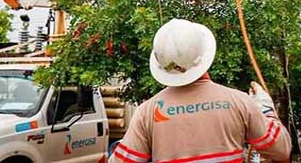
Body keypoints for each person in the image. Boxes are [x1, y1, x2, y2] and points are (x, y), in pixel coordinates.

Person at [109, 19, 291, 163]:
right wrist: (265, 109)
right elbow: (281, 149)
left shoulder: (147, 112)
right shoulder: (240, 102)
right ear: (204, 56)